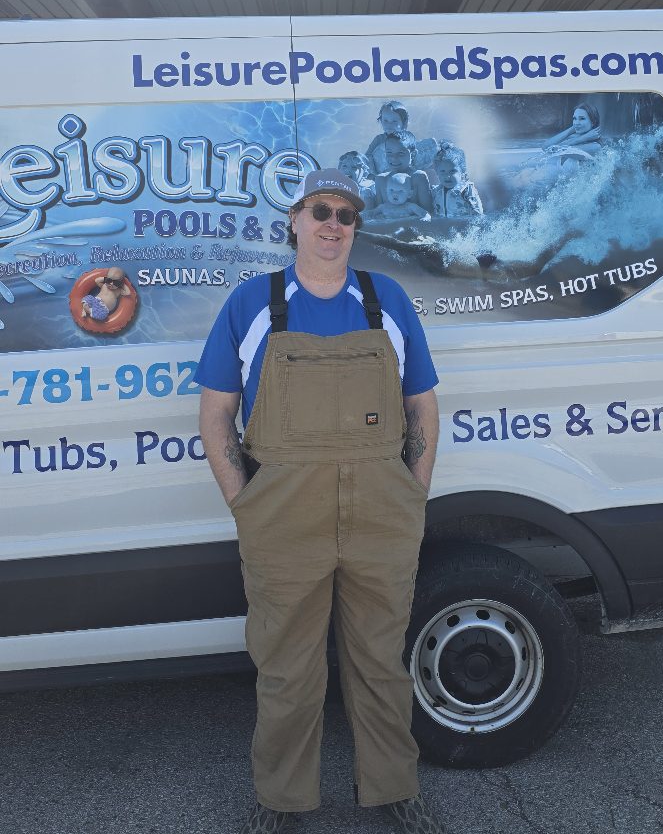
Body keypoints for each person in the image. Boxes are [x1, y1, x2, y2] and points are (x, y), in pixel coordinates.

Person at [196, 169, 447, 834]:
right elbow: (217, 413)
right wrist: (245, 503)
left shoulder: (385, 300)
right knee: (287, 668)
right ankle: (281, 802)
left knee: (380, 661)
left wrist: (411, 495)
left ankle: (395, 788)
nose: (334, 225)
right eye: (320, 212)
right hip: (283, 514)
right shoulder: (254, 304)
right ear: (295, 222)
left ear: (355, 227)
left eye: (345, 215)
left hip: (380, 510)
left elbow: (422, 404)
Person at [431, 142, 483, 218]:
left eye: (452, 171)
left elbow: (478, 213)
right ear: (437, 172)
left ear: (462, 171)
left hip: (463, 226)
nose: (447, 176)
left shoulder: (466, 190)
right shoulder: (436, 191)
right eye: (443, 171)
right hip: (443, 227)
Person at [365, 100, 416, 176]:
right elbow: (367, 156)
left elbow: (413, 157)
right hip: (382, 175)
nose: (389, 125)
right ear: (381, 121)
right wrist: (373, 173)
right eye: (385, 120)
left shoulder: (407, 139)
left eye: (394, 121)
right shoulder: (379, 139)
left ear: (404, 122)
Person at [361, 172, 431, 222]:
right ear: (386, 192)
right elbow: (371, 213)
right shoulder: (383, 207)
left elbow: (425, 214)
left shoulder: (410, 207)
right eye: (391, 190)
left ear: (409, 194)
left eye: (400, 191)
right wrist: (362, 216)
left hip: (405, 230)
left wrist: (426, 218)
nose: (395, 194)